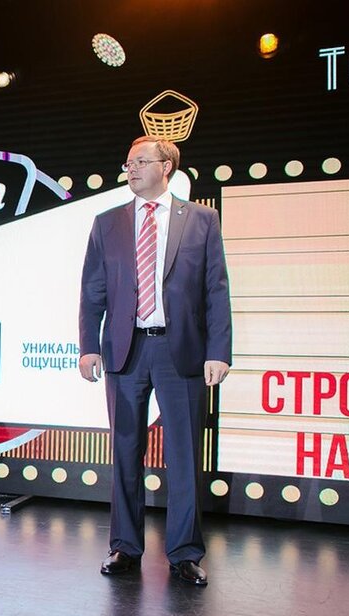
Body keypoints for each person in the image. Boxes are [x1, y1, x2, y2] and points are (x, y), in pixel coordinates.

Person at [77, 135, 231, 587]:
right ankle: (124, 546)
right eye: (128, 163)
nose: (131, 169)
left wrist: (219, 351)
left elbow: (216, 290)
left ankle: (184, 553)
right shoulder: (107, 223)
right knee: (125, 450)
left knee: (184, 454)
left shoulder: (201, 219)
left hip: (180, 349)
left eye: (140, 161)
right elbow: (92, 291)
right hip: (125, 349)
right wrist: (88, 345)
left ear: (166, 167)